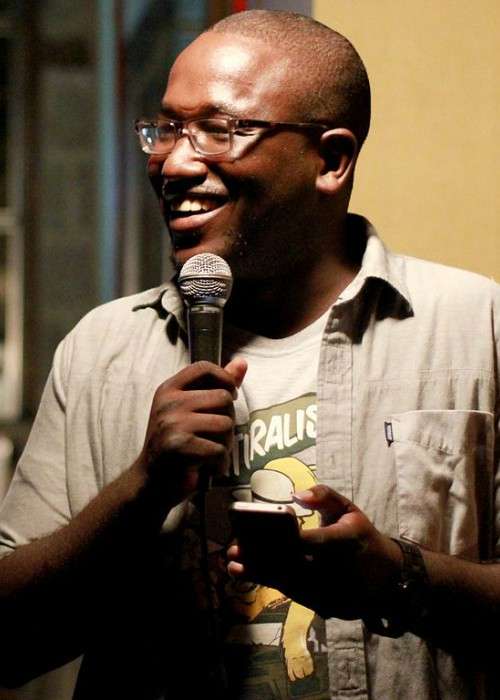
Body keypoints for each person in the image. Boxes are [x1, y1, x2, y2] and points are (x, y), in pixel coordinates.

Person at [0, 9, 499, 699]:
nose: (173, 162)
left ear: (330, 160)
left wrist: (395, 575)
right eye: (167, 128)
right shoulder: (102, 349)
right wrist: (141, 489)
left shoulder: (477, 328)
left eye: (220, 128)